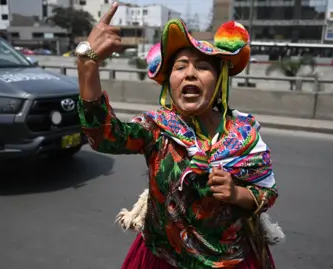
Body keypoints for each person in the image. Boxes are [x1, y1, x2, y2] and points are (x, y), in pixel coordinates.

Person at [76, 3, 282, 268]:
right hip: (163, 260)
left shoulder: (244, 133)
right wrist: (87, 63)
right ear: (169, 83)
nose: (190, 74)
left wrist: (235, 193)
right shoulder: (156, 129)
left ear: (220, 81)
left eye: (203, 66)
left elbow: (268, 192)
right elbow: (103, 136)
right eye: (180, 66)